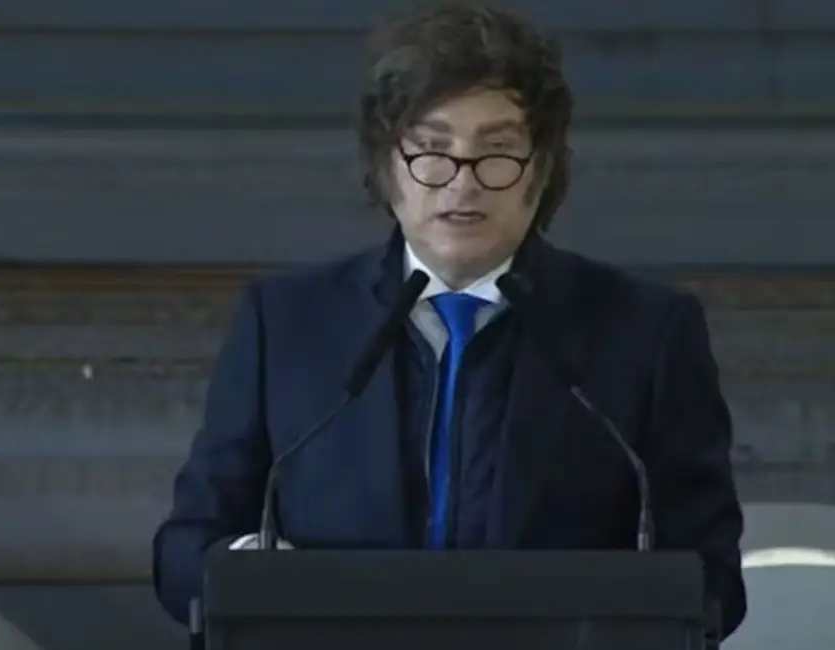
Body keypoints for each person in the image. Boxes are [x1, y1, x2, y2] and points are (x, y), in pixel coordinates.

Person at [152, 2, 746, 637]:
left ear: (542, 168)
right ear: (387, 166)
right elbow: (186, 549)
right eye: (432, 150)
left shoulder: (647, 332)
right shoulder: (287, 322)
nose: (463, 184)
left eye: (497, 151)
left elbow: (711, 580)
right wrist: (261, 575)